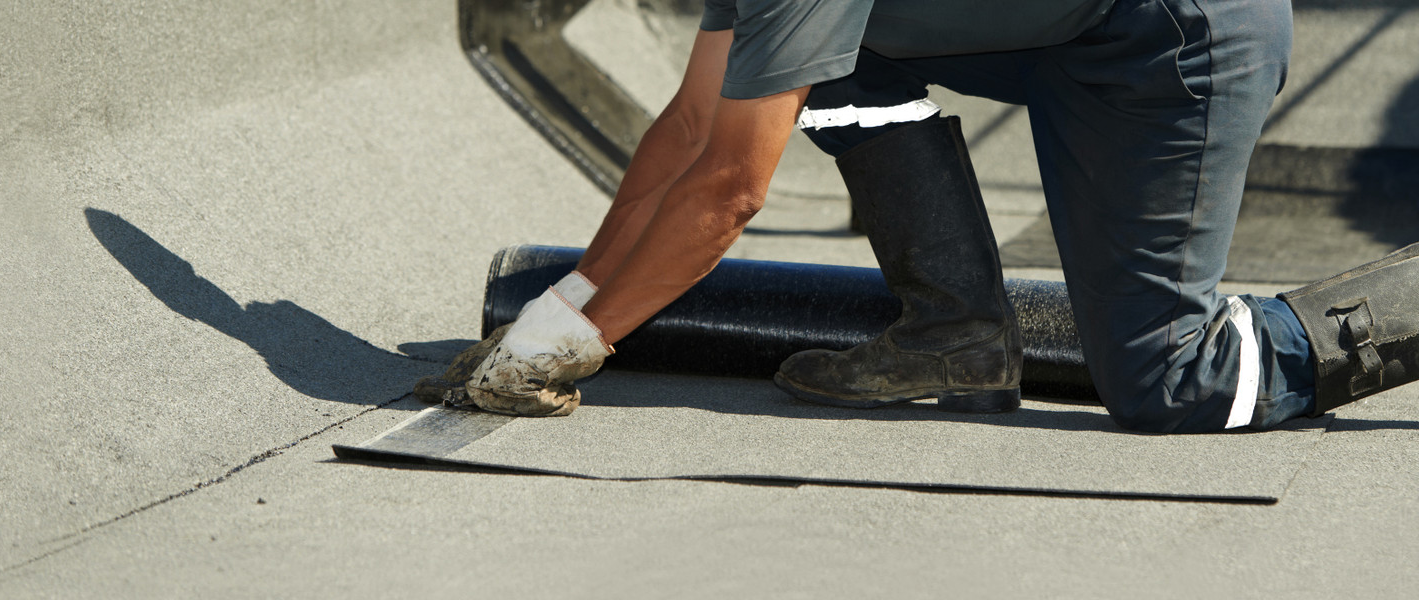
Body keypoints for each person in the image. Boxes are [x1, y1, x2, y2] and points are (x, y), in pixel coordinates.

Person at [438, 0, 1419, 433]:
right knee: (823, 63)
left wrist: (569, 345)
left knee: (1171, 379)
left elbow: (727, 191)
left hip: (1180, 40)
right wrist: (559, 309)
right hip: (1065, 29)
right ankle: (956, 333)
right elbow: (693, 128)